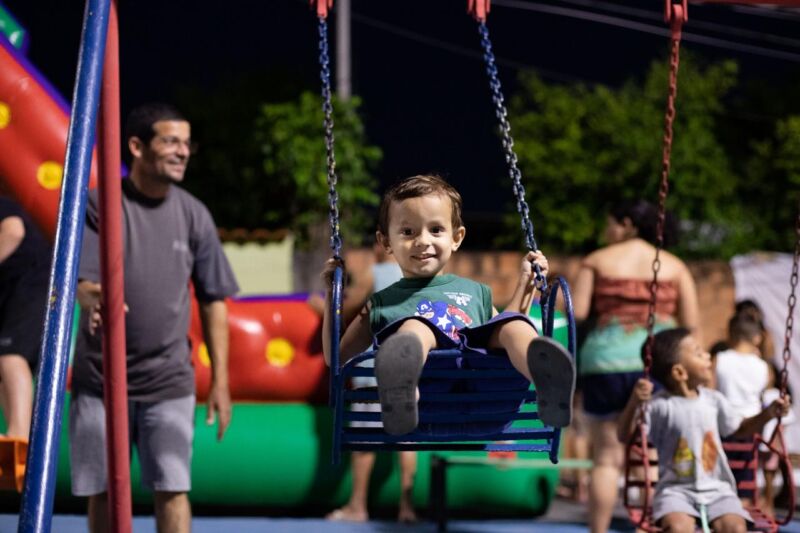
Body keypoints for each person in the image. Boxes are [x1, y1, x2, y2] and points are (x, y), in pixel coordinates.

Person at [71, 103, 239, 533]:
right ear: (136, 146)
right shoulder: (98, 206)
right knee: (104, 491)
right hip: (100, 381)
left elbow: (214, 300)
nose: (183, 151)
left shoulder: (194, 214)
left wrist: (220, 382)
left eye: (187, 143)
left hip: (168, 381)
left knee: (173, 488)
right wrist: (97, 299)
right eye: (171, 141)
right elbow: (81, 283)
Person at [320, 174, 576, 437]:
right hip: (429, 407)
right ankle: (402, 387)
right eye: (408, 232)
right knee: (415, 327)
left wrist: (526, 282)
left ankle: (547, 381)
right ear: (386, 242)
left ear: (457, 237)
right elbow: (336, 358)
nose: (422, 240)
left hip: (488, 399)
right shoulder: (381, 304)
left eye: (436, 230)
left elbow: (498, 338)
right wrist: (332, 294)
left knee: (511, 325)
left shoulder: (476, 292)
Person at [571, 199, 700, 533]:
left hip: (604, 362)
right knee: (649, 453)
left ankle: (597, 530)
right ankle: (650, 527)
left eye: (609, 224)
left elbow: (578, 312)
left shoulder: (597, 261)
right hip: (654, 363)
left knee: (606, 457)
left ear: (627, 224)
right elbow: (691, 322)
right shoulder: (674, 266)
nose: (605, 231)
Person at [618, 328, 790, 533]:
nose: (708, 355)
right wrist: (634, 402)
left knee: (735, 527)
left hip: (719, 489)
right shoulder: (660, 406)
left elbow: (740, 429)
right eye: (699, 353)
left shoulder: (714, 400)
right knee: (677, 527)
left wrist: (768, 414)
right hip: (675, 491)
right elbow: (625, 435)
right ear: (679, 372)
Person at [323, 241, 418, 523]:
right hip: (406, 366)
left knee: (364, 441)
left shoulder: (374, 274)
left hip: (372, 369)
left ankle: (358, 504)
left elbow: (349, 306)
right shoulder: (413, 278)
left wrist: (321, 303)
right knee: (406, 439)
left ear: (382, 246)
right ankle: (407, 507)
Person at [0, 196, 50, 440]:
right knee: (3, 363)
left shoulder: (3, 205)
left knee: (10, 356)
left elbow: (13, 231)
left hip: (32, 281)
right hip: (13, 291)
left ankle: (20, 436)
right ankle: (15, 439)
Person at [715, 314, 769, 418]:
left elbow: (709, 393)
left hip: (725, 421)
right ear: (757, 338)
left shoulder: (719, 359)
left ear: (729, 334)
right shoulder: (762, 365)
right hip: (753, 423)